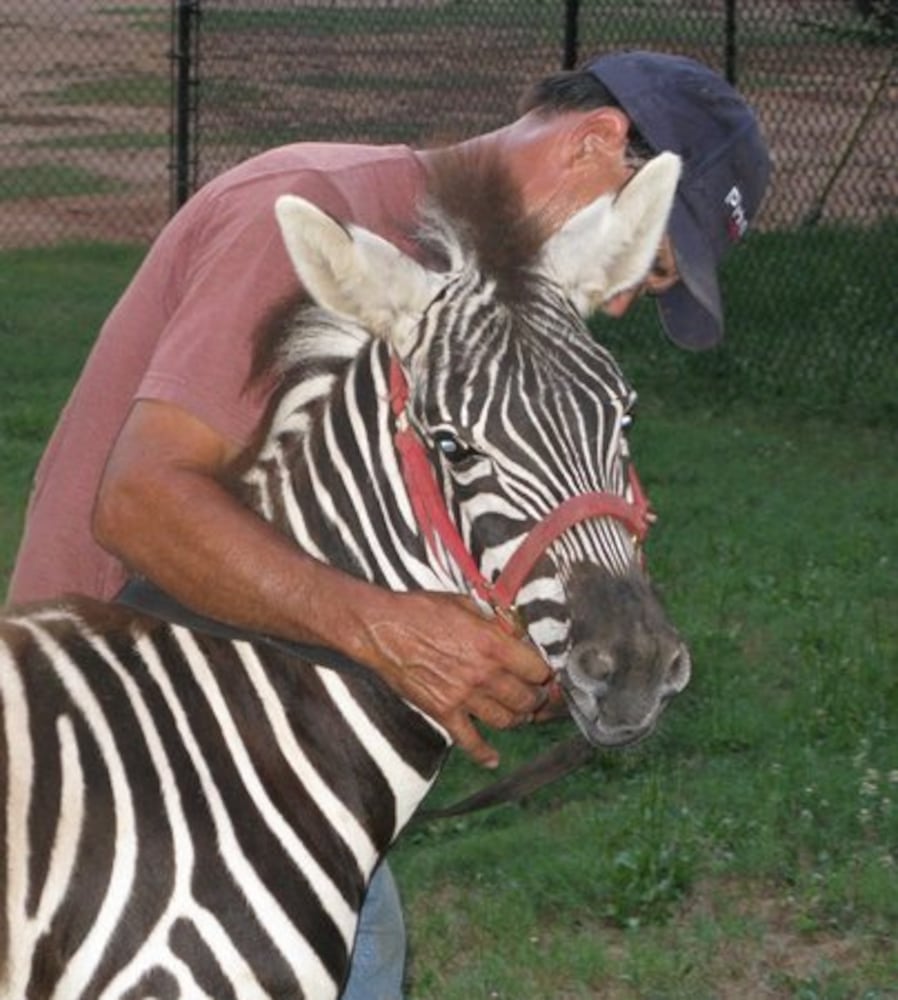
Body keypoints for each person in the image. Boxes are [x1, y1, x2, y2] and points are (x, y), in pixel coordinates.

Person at [5, 50, 769, 999]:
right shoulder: (312, 207)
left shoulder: (483, 313)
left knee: (369, 954)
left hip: (270, 751)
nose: (615, 301)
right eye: (641, 254)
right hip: (118, 761)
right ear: (597, 143)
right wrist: (395, 633)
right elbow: (140, 502)